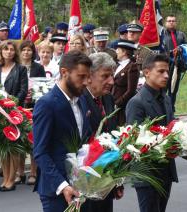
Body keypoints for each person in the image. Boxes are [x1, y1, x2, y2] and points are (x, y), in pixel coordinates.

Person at [33, 50, 92, 212]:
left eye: (88, 76)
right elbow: (40, 152)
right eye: (81, 76)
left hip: (82, 186)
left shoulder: (82, 101)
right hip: (56, 191)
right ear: (64, 72)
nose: (87, 81)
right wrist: (63, 185)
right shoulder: (46, 104)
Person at [126, 54, 178, 212]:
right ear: (147, 72)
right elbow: (134, 140)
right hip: (147, 173)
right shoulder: (137, 102)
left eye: (167, 72)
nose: (166, 76)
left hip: (165, 170)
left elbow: (172, 126)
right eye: (161, 71)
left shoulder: (166, 98)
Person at [82, 52, 122, 212]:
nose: (111, 81)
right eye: (105, 76)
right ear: (89, 76)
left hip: (106, 181)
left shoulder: (108, 98)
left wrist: (116, 182)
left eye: (112, 76)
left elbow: (112, 136)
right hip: (84, 180)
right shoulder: (80, 101)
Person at [0, 40, 28, 192]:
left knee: (13, 147)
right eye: (6, 49)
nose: (9, 52)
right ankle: (5, 179)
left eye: (11, 49)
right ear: (1, 52)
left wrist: (12, 103)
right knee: (3, 146)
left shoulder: (21, 69)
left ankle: (12, 179)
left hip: (14, 112)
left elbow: (23, 90)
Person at [16, 40, 45, 186]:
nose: (26, 52)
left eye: (29, 50)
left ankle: (33, 172)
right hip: (18, 106)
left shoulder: (38, 67)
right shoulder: (15, 67)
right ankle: (20, 172)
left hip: (34, 106)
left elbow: (42, 86)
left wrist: (33, 94)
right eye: (24, 50)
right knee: (20, 140)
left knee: (33, 139)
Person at [163, 15, 187, 111]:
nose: (171, 22)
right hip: (165, 66)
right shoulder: (162, 35)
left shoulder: (181, 34)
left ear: (176, 22)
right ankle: (162, 111)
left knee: (173, 90)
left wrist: (180, 49)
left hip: (177, 66)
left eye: (173, 21)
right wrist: (170, 52)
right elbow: (160, 50)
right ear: (166, 23)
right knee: (163, 90)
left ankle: (171, 111)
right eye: (169, 21)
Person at [111, 40, 139, 125]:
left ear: (124, 52)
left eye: (118, 50)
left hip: (123, 106)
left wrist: (118, 103)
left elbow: (131, 90)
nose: (116, 52)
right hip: (113, 102)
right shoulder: (118, 65)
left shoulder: (132, 67)